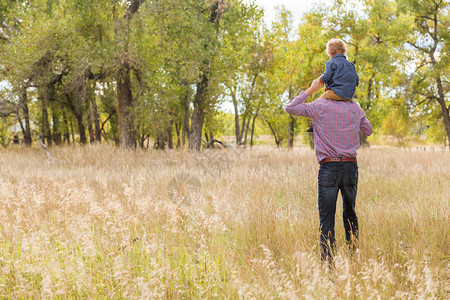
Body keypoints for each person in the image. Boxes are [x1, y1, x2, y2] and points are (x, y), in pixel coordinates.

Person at [285, 77, 372, 264]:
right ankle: (354, 258)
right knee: (350, 214)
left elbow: (290, 108)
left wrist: (310, 89)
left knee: (326, 218)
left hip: (329, 168)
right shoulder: (355, 108)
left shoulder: (319, 106)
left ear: (326, 87)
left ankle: (328, 264)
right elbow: (368, 129)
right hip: (350, 167)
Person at [306, 38, 359, 132]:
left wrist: (321, 80)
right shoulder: (351, 64)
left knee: (318, 103)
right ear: (344, 52)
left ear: (330, 52)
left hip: (337, 93)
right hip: (350, 95)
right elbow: (357, 78)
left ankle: (314, 125)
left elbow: (327, 76)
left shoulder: (330, 62)